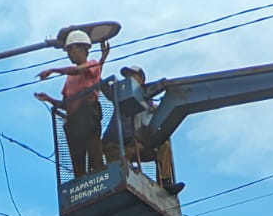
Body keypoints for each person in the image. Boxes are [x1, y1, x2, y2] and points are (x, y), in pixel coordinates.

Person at [34, 30, 107, 178]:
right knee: (78, 162)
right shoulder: (69, 79)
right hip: (74, 120)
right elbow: (66, 104)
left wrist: (53, 70)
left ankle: (99, 175)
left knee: (94, 154)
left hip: (88, 115)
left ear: (83, 48)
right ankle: (81, 181)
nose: (69, 54)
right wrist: (49, 99)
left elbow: (78, 70)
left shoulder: (92, 64)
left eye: (71, 50)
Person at [101, 66, 183, 195]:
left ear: (141, 79)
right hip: (117, 144)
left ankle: (165, 181)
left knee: (164, 145)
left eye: (132, 75)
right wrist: (97, 70)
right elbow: (106, 89)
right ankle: (126, 174)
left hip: (137, 145)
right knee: (119, 170)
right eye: (127, 76)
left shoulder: (148, 101)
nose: (128, 78)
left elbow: (152, 119)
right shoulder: (122, 93)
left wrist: (159, 109)